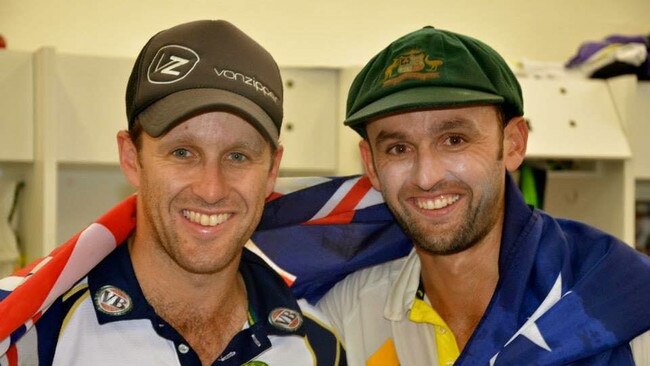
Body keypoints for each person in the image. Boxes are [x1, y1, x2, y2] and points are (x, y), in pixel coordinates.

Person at [1, 20, 345, 365]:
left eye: (238, 156)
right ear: (131, 158)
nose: (211, 189)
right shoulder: (32, 338)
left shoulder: (316, 347)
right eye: (182, 152)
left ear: (272, 170)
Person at [317, 26, 650, 365]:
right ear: (371, 164)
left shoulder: (623, 299)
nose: (427, 177)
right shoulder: (347, 316)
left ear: (514, 143)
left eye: (455, 140)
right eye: (398, 148)